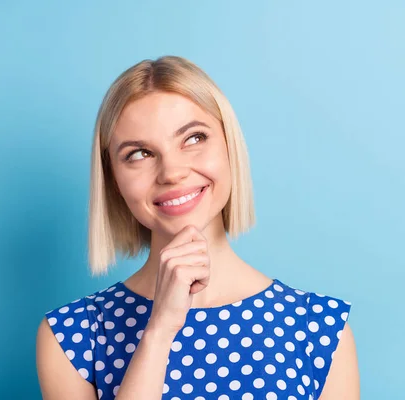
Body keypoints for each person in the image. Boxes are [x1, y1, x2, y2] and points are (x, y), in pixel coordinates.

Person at [36, 55, 359, 399]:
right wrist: (159, 331)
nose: (171, 172)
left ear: (229, 146)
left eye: (193, 138)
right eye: (139, 154)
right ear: (114, 180)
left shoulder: (317, 329)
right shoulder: (75, 335)